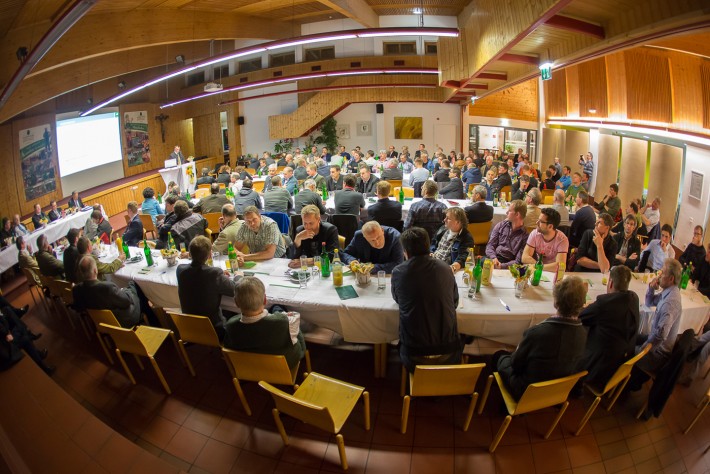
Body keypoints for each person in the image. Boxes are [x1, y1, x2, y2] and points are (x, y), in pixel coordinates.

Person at [494, 276, 588, 400]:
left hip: (527, 391)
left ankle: (504, 406)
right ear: (582, 304)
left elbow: (515, 364)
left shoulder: (537, 332)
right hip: (557, 391)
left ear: (555, 302)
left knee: (499, 356)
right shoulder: (583, 332)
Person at [392, 227, 462, 372]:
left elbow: (398, 299)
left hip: (414, 358)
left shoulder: (398, 271)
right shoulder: (445, 268)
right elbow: (454, 301)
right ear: (428, 245)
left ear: (405, 251)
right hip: (450, 355)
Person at [223, 277, 306, 369]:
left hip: (249, 367)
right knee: (278, 309)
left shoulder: (230, 326)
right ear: (265, 300)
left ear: (236, 302)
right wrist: (282, 315)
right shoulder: (282, 322)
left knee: (277, 311)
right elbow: (295, 317)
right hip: (284, 365)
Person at [578, 265, 640, 388]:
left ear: (610, 283)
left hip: (598, 368)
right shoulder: (634, 298)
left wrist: (582, 296)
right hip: (621, 364)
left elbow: (580, 317)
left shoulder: (605, 303)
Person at [631, 259, 683, 381]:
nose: (658, 275)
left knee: (625, 349)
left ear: (671, 279)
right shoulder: (670, 291)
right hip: (653, 342)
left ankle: (628, 384)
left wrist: (643, 349)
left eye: (662, 273)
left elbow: (661, 334)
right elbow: (649, 302)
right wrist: (651, 288)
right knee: (630, 336)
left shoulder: (670, 302)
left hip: (657, 355)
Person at [176, 236, 236, 340]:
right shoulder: (214, 274)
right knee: (235, 314)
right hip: (214, 329)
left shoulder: (180, 270)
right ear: (210, 255)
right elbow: (234, 290)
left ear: (189, 254)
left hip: (189, 327)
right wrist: (238, 276)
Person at [73, 255, 158, 327]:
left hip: (101, 322)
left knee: (133, 291)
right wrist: (129, 288)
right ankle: (154, 323)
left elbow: (78, 308)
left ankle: (153, 321)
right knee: (135, 286)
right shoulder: (107, 287)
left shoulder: (77, 289)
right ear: (95, 270)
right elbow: (127, 301)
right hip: (123, 320)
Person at [0, 306, 53, 375]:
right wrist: (0, 316)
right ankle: (44, 368)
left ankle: (39, 356)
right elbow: (4, 330)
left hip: (4, 342)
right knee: (25, 338)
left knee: (9, 312)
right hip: (5, 350)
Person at [485, 200, 529, 269]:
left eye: (509, 211)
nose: (506, 212)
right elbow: (490, 245)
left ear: (517, 214)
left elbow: (518, 261)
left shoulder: (525, 236)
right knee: (481, 262)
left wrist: (502, 266)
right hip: (494, 257)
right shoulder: (501, 225)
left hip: (508, 264)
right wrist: (493, 258)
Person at [430, 207, 475, 273]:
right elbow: (433, 242)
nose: (444, 220)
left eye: (448, 218)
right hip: (433, 261)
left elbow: (463, 258)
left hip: (445, 268)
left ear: (458, 222)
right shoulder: (443, 229)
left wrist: (452, 268)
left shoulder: (466, 238)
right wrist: (431, 252)